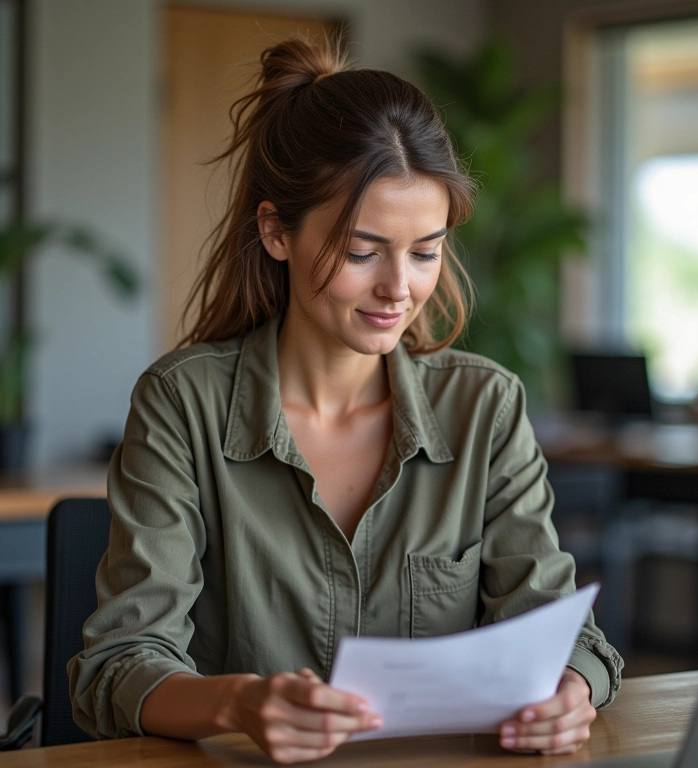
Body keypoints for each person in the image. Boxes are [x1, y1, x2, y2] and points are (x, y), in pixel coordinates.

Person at [68, 37, 623, 764]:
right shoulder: (183, 404)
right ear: (276, 232)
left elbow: (557, 631)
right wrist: (239, 703)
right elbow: (119, 665)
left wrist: (571, 691)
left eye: (425, 251)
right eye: (364, 251)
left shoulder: (485, 407)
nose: (400, 288)